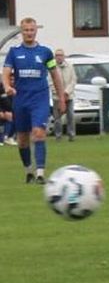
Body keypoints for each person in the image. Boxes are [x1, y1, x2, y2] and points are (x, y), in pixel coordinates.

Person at [2, 17, 66, 184]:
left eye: (32, 30)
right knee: (22, 139)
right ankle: (29, 170)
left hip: (40, 98)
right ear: (21, 32)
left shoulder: (45, 52)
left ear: (36, 31)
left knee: (38, 132)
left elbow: (55, 76)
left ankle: (40, 173)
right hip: (20, 99)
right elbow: (6, 73)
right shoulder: (14, 52)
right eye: (26, 30)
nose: (29, 33)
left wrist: (61, 98)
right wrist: (7, 86)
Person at [50, 48, 76, 141]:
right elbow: (50, 82)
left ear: (64, 56)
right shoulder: (52, 67)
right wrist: (59, 93)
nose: (59, 57)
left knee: (71, 116)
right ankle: (58, 136)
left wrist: (66, 92)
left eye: (60, 55)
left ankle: (71, 135)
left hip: (69, 96)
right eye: (57, 55)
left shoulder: (70, 66)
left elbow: (73, 80)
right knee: (57, 118)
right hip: (56, 97)